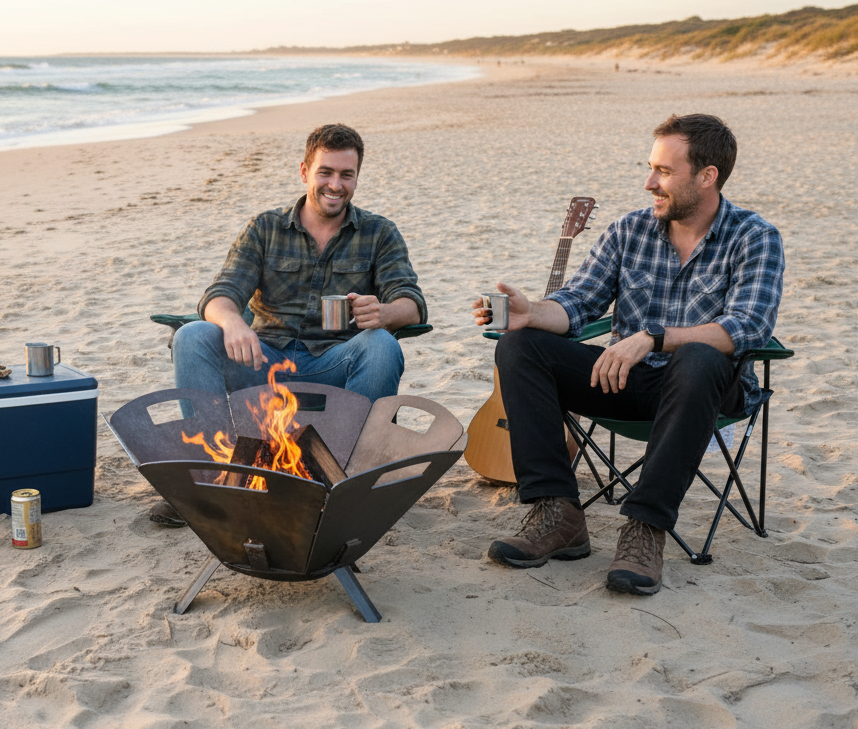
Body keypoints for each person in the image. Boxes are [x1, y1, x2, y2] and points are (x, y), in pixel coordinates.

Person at [472, 113, 784, 595]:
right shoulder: (629, 231)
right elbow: (578, 303)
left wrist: (655, 337)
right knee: (520, 347)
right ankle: (557, 514)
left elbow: (747, 326)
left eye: (663, 171)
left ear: (707, 176)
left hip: (701, 392)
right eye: (650, 167)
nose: (648, 183)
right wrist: (533, 313)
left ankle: (645, 529)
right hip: (621, 381)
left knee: (699, 357)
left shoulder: (755, 237)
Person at [153, 123, 428, 526]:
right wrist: (232, 323)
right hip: (264, 363)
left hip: (335, 365)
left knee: (382, 345)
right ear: (305, 172)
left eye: (346, 175)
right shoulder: (265, 228)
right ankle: (209, 480)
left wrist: (385, 314)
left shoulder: (378, 233)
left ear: (356, 177)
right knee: (194, 335)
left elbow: (413, 304)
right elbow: (220, 294)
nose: (335, 185)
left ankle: (340, 482)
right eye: (326, 172)